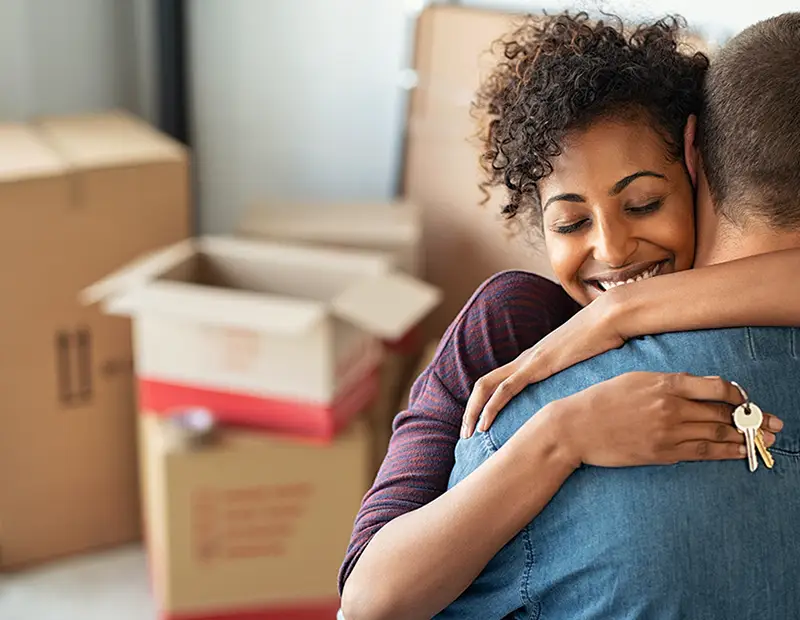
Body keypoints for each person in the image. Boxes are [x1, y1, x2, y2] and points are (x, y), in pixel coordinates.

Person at [339, 13, 799, 620]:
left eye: (644, 204)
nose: (611, 250)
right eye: (571, 223)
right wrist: (562, 436)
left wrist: (622, 311)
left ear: (695, 166)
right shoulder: (508, 329)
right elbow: (367, 601)